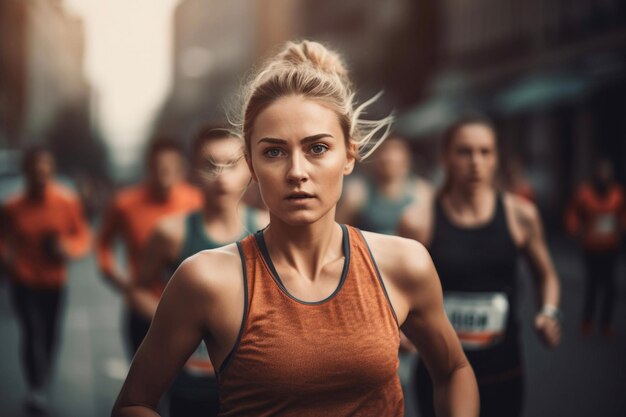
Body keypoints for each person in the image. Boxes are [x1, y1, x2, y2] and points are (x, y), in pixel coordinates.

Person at [112, 40, 478, 417]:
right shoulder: (206, 279)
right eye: (274, 152)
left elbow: (454, 370)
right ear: (251, 166)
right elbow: (134, 403)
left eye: (317, 148)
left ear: (349, 155)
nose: (297, 172)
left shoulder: (404, 264)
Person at [398, 113, 562, 417]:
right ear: (446, 156)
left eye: (485, 152)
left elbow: (546, 275)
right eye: (465, 151)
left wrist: (549, 312)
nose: (476, 161)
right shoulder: (418, 220)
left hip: (502, 371)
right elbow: (395, 288)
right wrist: (401, 329)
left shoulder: (520, 215)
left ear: (496, 157)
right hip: (440, 373)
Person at [128, 126, 268, 417]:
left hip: (256, 379)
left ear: (250, 168)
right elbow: (138, 288)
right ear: (192, 172)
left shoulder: (270, 230)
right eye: (209, 165)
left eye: (231, 164)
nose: (221, 176)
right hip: (192, 381)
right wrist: (177, 327)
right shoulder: (172, 233)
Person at [0, 146, 91, 413]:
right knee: (30, 331)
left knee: (50, 334)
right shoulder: (12, 206)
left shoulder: (67, 201)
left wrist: (68, 248)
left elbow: (83, 237)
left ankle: (43, 379)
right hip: (23, 278)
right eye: (35, 169)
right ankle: (35, 386)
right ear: (27, 171)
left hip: (54, 280)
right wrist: (6, 257)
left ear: (51, 171)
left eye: (45, 169)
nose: (40, 174)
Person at [97, 137, 202, 356]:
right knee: (144, 383)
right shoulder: (125, 203)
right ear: (149, 167)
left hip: (187, 310)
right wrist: (117, 278)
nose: (165, 174)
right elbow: (103, 243)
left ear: (182, 168)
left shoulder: (197, 202)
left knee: (186, 385)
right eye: (159, 167)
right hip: (142, 307)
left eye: (172, 167)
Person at [565, 157, 625, 338]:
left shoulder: (618, 194)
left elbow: (622, 216)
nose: (604, 176)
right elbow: (572, 214)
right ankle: (587, 321)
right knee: (592, 285)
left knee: (610, 288)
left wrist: (621, 229)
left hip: (610, 247)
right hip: (590, 247)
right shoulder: (584, 194)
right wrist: (575, 230)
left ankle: (606, 324)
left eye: (607, 173)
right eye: (601, 172)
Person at [338, 134, 432, 235]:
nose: (389, 157)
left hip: (405, 248)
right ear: (376, 159)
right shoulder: (358, 192)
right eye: (384, 153)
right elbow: (339, 230)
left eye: (395, 155)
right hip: (369, 248)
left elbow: (427, 236)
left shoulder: (421, 191)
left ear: (407, 160)